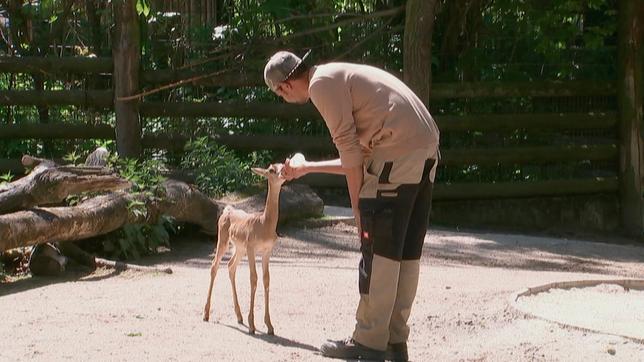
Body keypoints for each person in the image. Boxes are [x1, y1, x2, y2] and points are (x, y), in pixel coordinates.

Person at [264, 50, 440, 361]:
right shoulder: (338, 74)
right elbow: (356, 156)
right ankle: (395, 342)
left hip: (397, 151)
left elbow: (350, 153)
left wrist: (359, 211)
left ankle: (369, 342)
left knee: (379, 251)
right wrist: (308, 168)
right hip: (423, 150)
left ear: (285, 87)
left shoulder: (320, 85)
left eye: (278, 94)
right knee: (404, 251)